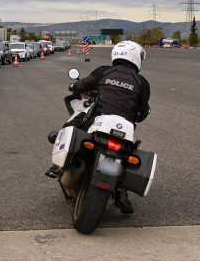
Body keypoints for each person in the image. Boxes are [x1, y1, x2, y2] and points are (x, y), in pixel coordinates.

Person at [46, 41, 150, 214]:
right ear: (136, 58)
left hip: (99, 120)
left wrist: (73, 86)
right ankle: (121, 193)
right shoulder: (142, 82)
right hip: (124, 131)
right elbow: (142, 112)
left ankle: (60, 164)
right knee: (127, 154)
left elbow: (82, 85)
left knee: (73, 125)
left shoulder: (104, 71)